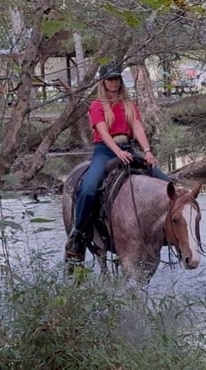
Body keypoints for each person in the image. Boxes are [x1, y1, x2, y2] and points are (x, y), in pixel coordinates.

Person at [65, 62, 170, 265]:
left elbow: (137, 128)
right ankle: (78, 234)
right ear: (103, 82)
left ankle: (170, 233)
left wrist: (147, 151)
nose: (114, 82)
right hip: (104, 151)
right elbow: (103, 133)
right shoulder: (97, 106)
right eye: (110, 79)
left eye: (116, 78)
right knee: (88, 188)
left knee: (168, 185)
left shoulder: (129, 105)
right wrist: (117, 152)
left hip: (129, 148)